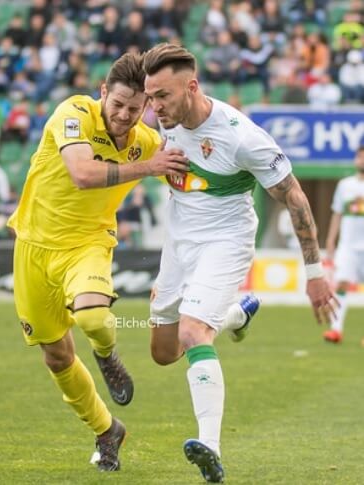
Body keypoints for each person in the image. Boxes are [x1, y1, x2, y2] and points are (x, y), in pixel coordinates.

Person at [142, 43, 338, 483]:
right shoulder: (161, 122)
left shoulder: (240, 135)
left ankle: (209, 447)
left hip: (225, 241)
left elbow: (295, 196)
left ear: (191, 87)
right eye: (150, 96)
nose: (154, 108)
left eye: (163, 97)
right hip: (178, 243)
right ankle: (234, 316)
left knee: (193, 332)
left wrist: (314, 273)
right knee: (162, 352)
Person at [6, 52, 191, 473]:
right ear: (103, 92)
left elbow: (187, 177)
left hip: (88, 243)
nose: (124, 115)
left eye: (134, 107)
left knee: (92, 318)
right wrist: (149, 167)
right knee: (56, 357)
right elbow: (82, 173)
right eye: (118, 104)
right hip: (33, 246)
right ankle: (107, 430)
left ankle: (107, 357)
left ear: (147, 105)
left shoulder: (147, 142)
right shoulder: (73, 112)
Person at [323, 146, 364, 343]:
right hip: (348, 246)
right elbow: (337, 213)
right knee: (341, 283)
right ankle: (336, 329)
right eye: (359, 156)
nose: (361, 159)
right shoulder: (345, 185)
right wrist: (331, 240)